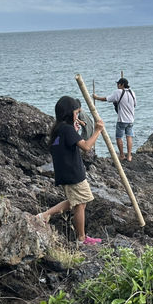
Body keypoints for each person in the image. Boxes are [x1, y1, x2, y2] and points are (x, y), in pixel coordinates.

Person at [35, 96, 104, 245]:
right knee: (80, 204)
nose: (78, 116)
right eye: (76, 113)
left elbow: (65, 145)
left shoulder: (59, 128)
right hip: (73, 173)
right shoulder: (67, 129)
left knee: (76, 201)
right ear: (70, 113)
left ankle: (44, 216)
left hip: (65, 172)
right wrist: (97, 131)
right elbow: (86, 147)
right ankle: (81, 239)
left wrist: (75, 128)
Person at [93, 77, 137, 161]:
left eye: (118, 84)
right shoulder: (132, 92)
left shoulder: (118, 92)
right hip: (131, 119)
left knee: (119, 137)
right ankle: (129, 156)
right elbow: (134, 104)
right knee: (129, 137)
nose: (117, 85)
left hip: (122, 119)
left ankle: (121, 155)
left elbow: (106, 99)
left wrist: (96, 97)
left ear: (122, 85)